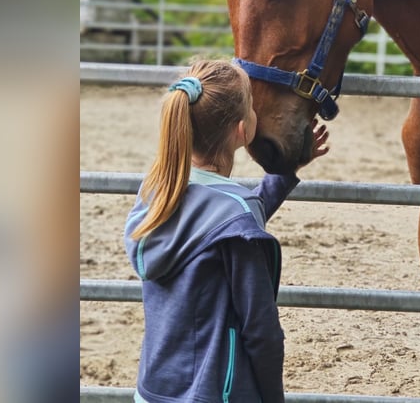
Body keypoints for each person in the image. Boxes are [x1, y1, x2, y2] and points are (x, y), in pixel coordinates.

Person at [124, 59, 329, 403]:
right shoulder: (236, 220)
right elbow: (262, 333)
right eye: (252, 104)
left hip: (153, 391)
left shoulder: (156, 191)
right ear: (241, 130)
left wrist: (285, 172)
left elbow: (220, 216)